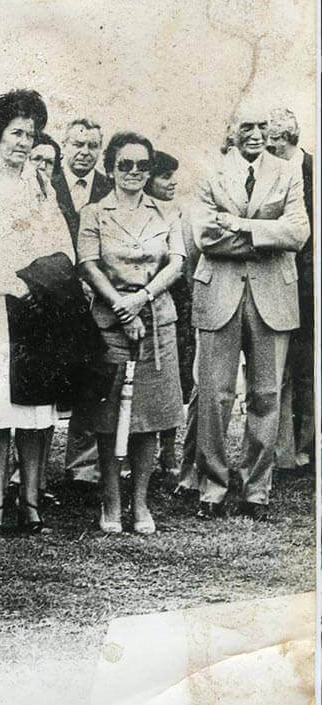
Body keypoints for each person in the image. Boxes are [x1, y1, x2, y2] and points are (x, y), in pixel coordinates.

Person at [189, 107, 309, 521]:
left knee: (266, 395)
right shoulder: (210, 170)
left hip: (274, 296)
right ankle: (213, 488)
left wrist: (237, 224)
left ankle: (257, 490)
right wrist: (266, 235)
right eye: (246, 127)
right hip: (218, 293)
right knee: (215, 396)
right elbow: (205, 237)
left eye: (263, 127)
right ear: (231, 130)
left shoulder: (288, 171)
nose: (256, 135)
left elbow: (298, 232)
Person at [0, 90, 72, 534]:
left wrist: (29, 282)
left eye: (30, 134)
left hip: (33, 307)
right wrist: (0, 281)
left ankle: (30, 503)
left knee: (33, 413)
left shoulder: (42, 184)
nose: (24, 143)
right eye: (15, 133)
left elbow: (60, 246)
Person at [72, 131, 187, 534]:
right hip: (110, 322)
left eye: (142, 165)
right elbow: (88, 264)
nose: (134, 172)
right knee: (108, 417)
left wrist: (143, 298)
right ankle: (110, 502)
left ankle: (140, 504)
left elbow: (177, 261)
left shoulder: (167, 212)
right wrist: (123, 309)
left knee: (150, 417)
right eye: (125, 165)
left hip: (158, 321)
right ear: (110, 168)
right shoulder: (94, 213)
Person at [59, 118, 114, 489]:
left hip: (97, 295)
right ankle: (24, 474)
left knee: (92, 379)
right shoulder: (44, 183)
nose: (84, 152)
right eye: (78, 144)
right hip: (54, 294)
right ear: (64, 146)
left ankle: (82, 467)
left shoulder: (110, 189)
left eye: (92, 145)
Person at [267, 108, 314, 475]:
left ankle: (308, 447)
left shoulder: (312, 170)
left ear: (289, 140)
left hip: (311, 287)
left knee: (308, 369)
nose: (269, 148)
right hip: (277, 281)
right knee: (277, 368)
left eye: (274, 142)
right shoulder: (269, 171)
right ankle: (280, 451)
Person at [143, 151, 194, 478]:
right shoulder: (140, 211)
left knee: (175, 377)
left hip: (177, 299)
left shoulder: (178, 212)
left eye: (173, 175)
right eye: (164, 176)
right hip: (144, 297)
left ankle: (168, 450)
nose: (172, 182)